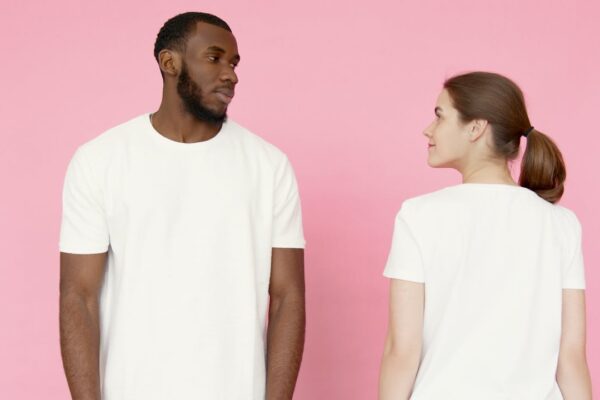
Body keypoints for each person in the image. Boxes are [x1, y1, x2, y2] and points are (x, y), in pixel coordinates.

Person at [59, 12, 306, 400]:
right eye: (214, 58)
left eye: (234, 63)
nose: (231, 75)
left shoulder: (269, 166)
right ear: (169, 62)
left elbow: (288, 297)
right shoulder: (100, 160)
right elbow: (78, 296)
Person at [379, 72, 592, 399]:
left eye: (440, 116)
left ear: (476, 128)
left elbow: (402, 350)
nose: (428, 129)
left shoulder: (419, 216)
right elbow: (572, 359)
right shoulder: (562, 224)